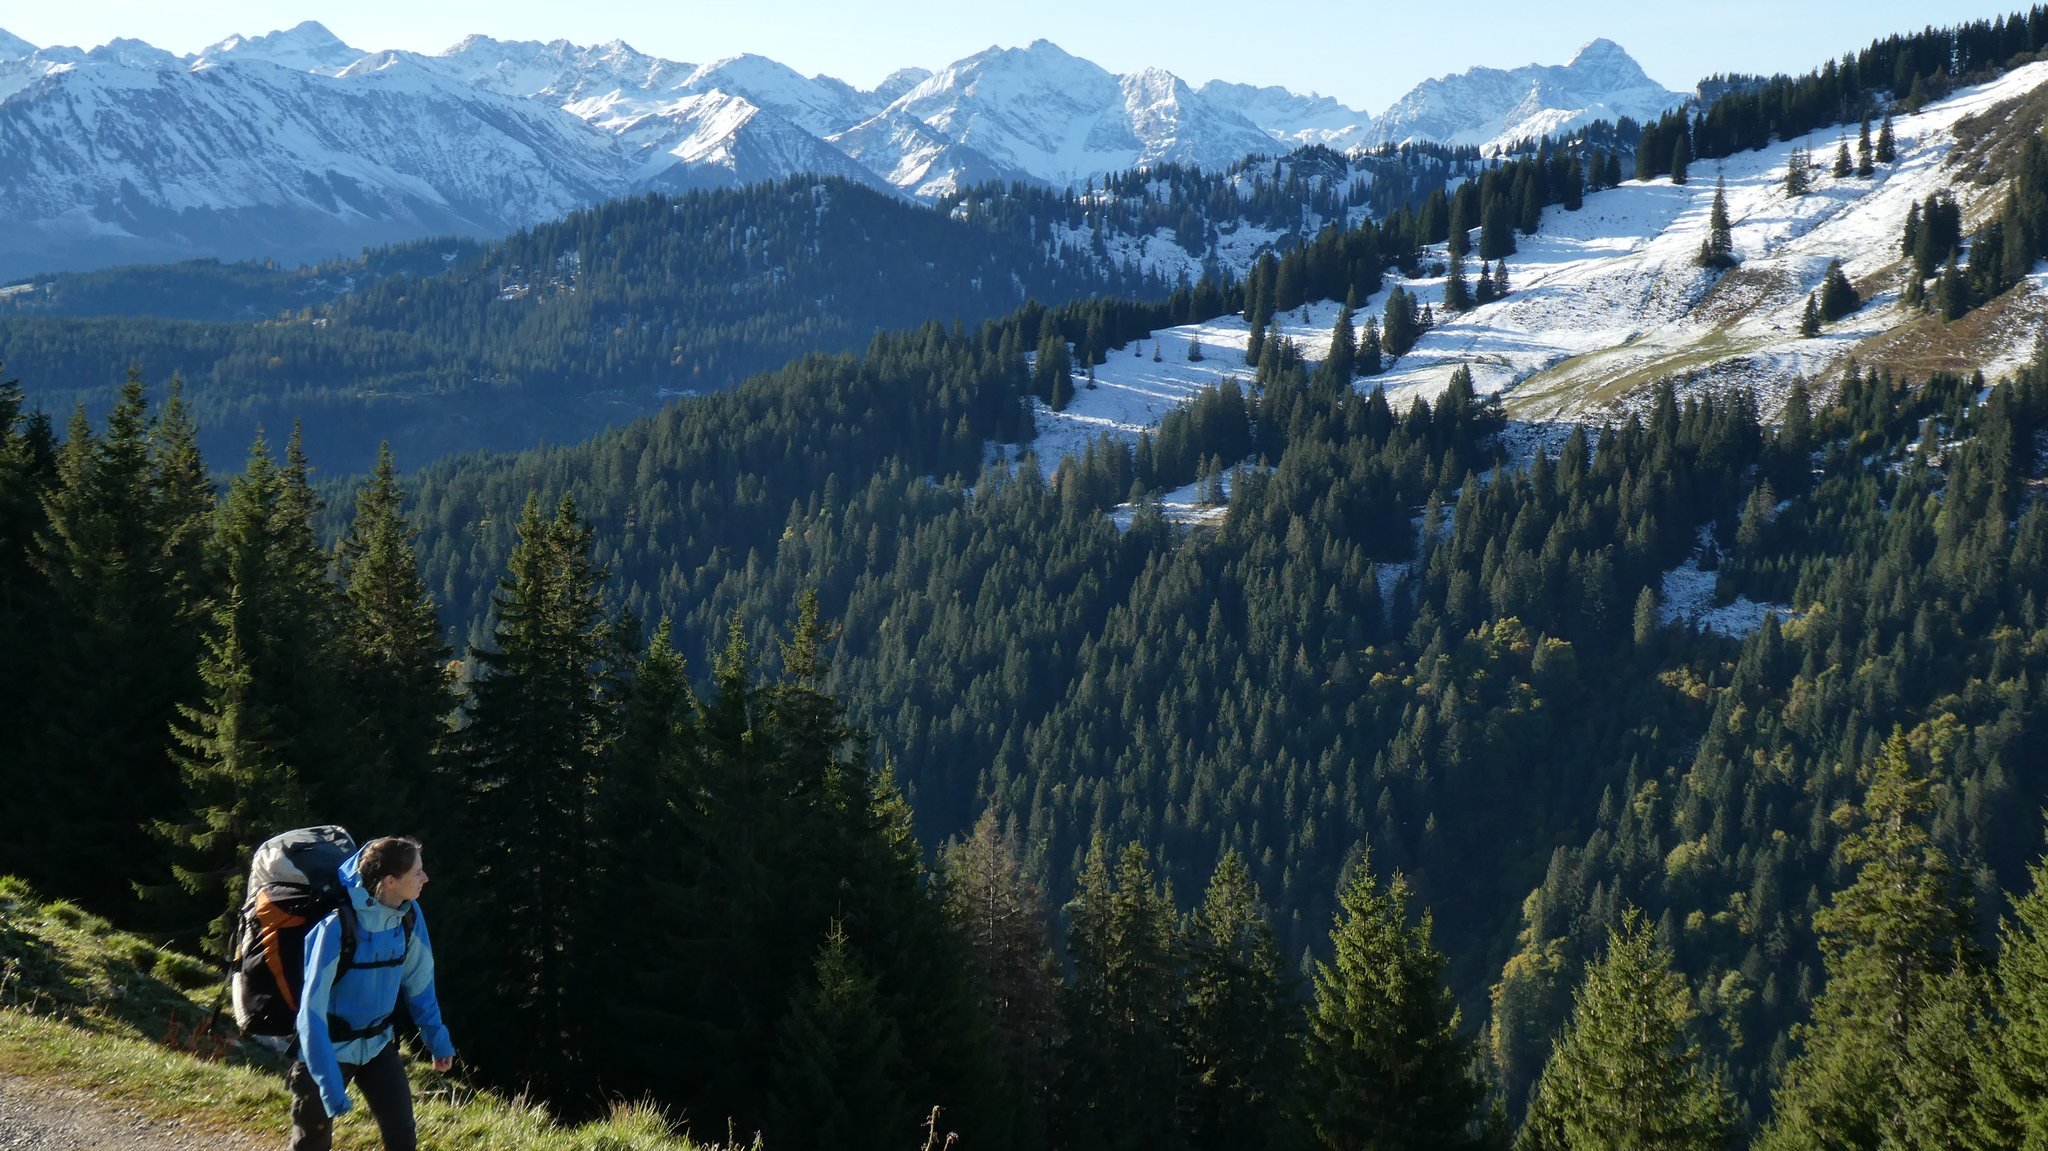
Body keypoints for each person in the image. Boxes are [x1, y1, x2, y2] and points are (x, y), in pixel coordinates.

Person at [288, 836, 456, 1151]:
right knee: (311, 1144)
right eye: (417, 872)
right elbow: (310, 1014)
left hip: (378, 1045)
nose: (425, 878)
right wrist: (329, 1085)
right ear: (390, 881)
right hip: (328, 1051)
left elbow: (420, 983)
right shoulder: (335, 927)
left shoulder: (409, 915)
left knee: (403, 1137)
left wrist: (437, 1040)